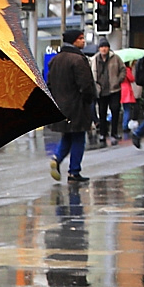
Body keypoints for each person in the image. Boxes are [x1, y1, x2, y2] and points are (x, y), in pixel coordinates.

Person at [47, 29, 96, 184]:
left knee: (67, 136)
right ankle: (74, 172)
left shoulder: (55, 60)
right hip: (77, 106)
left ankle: (57, 158)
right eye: (80, 38)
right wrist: (89, 100)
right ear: (74, 41)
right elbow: (86, 85)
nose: (83, 41)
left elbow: (49, 84)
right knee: (78, 138)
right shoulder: (78, 60)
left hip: (60, 106)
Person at [92, 39, 125, 146]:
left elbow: (123, 69)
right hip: (101, 90)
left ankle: (114, 132)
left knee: (115, 110)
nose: (104, 49)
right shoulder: (95, 59)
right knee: (102, 112)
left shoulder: (115, 58)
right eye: (101, 47)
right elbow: (92, 73)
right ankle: (103, 133)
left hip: (114, 89)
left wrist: (118, 80)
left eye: (105, 46)